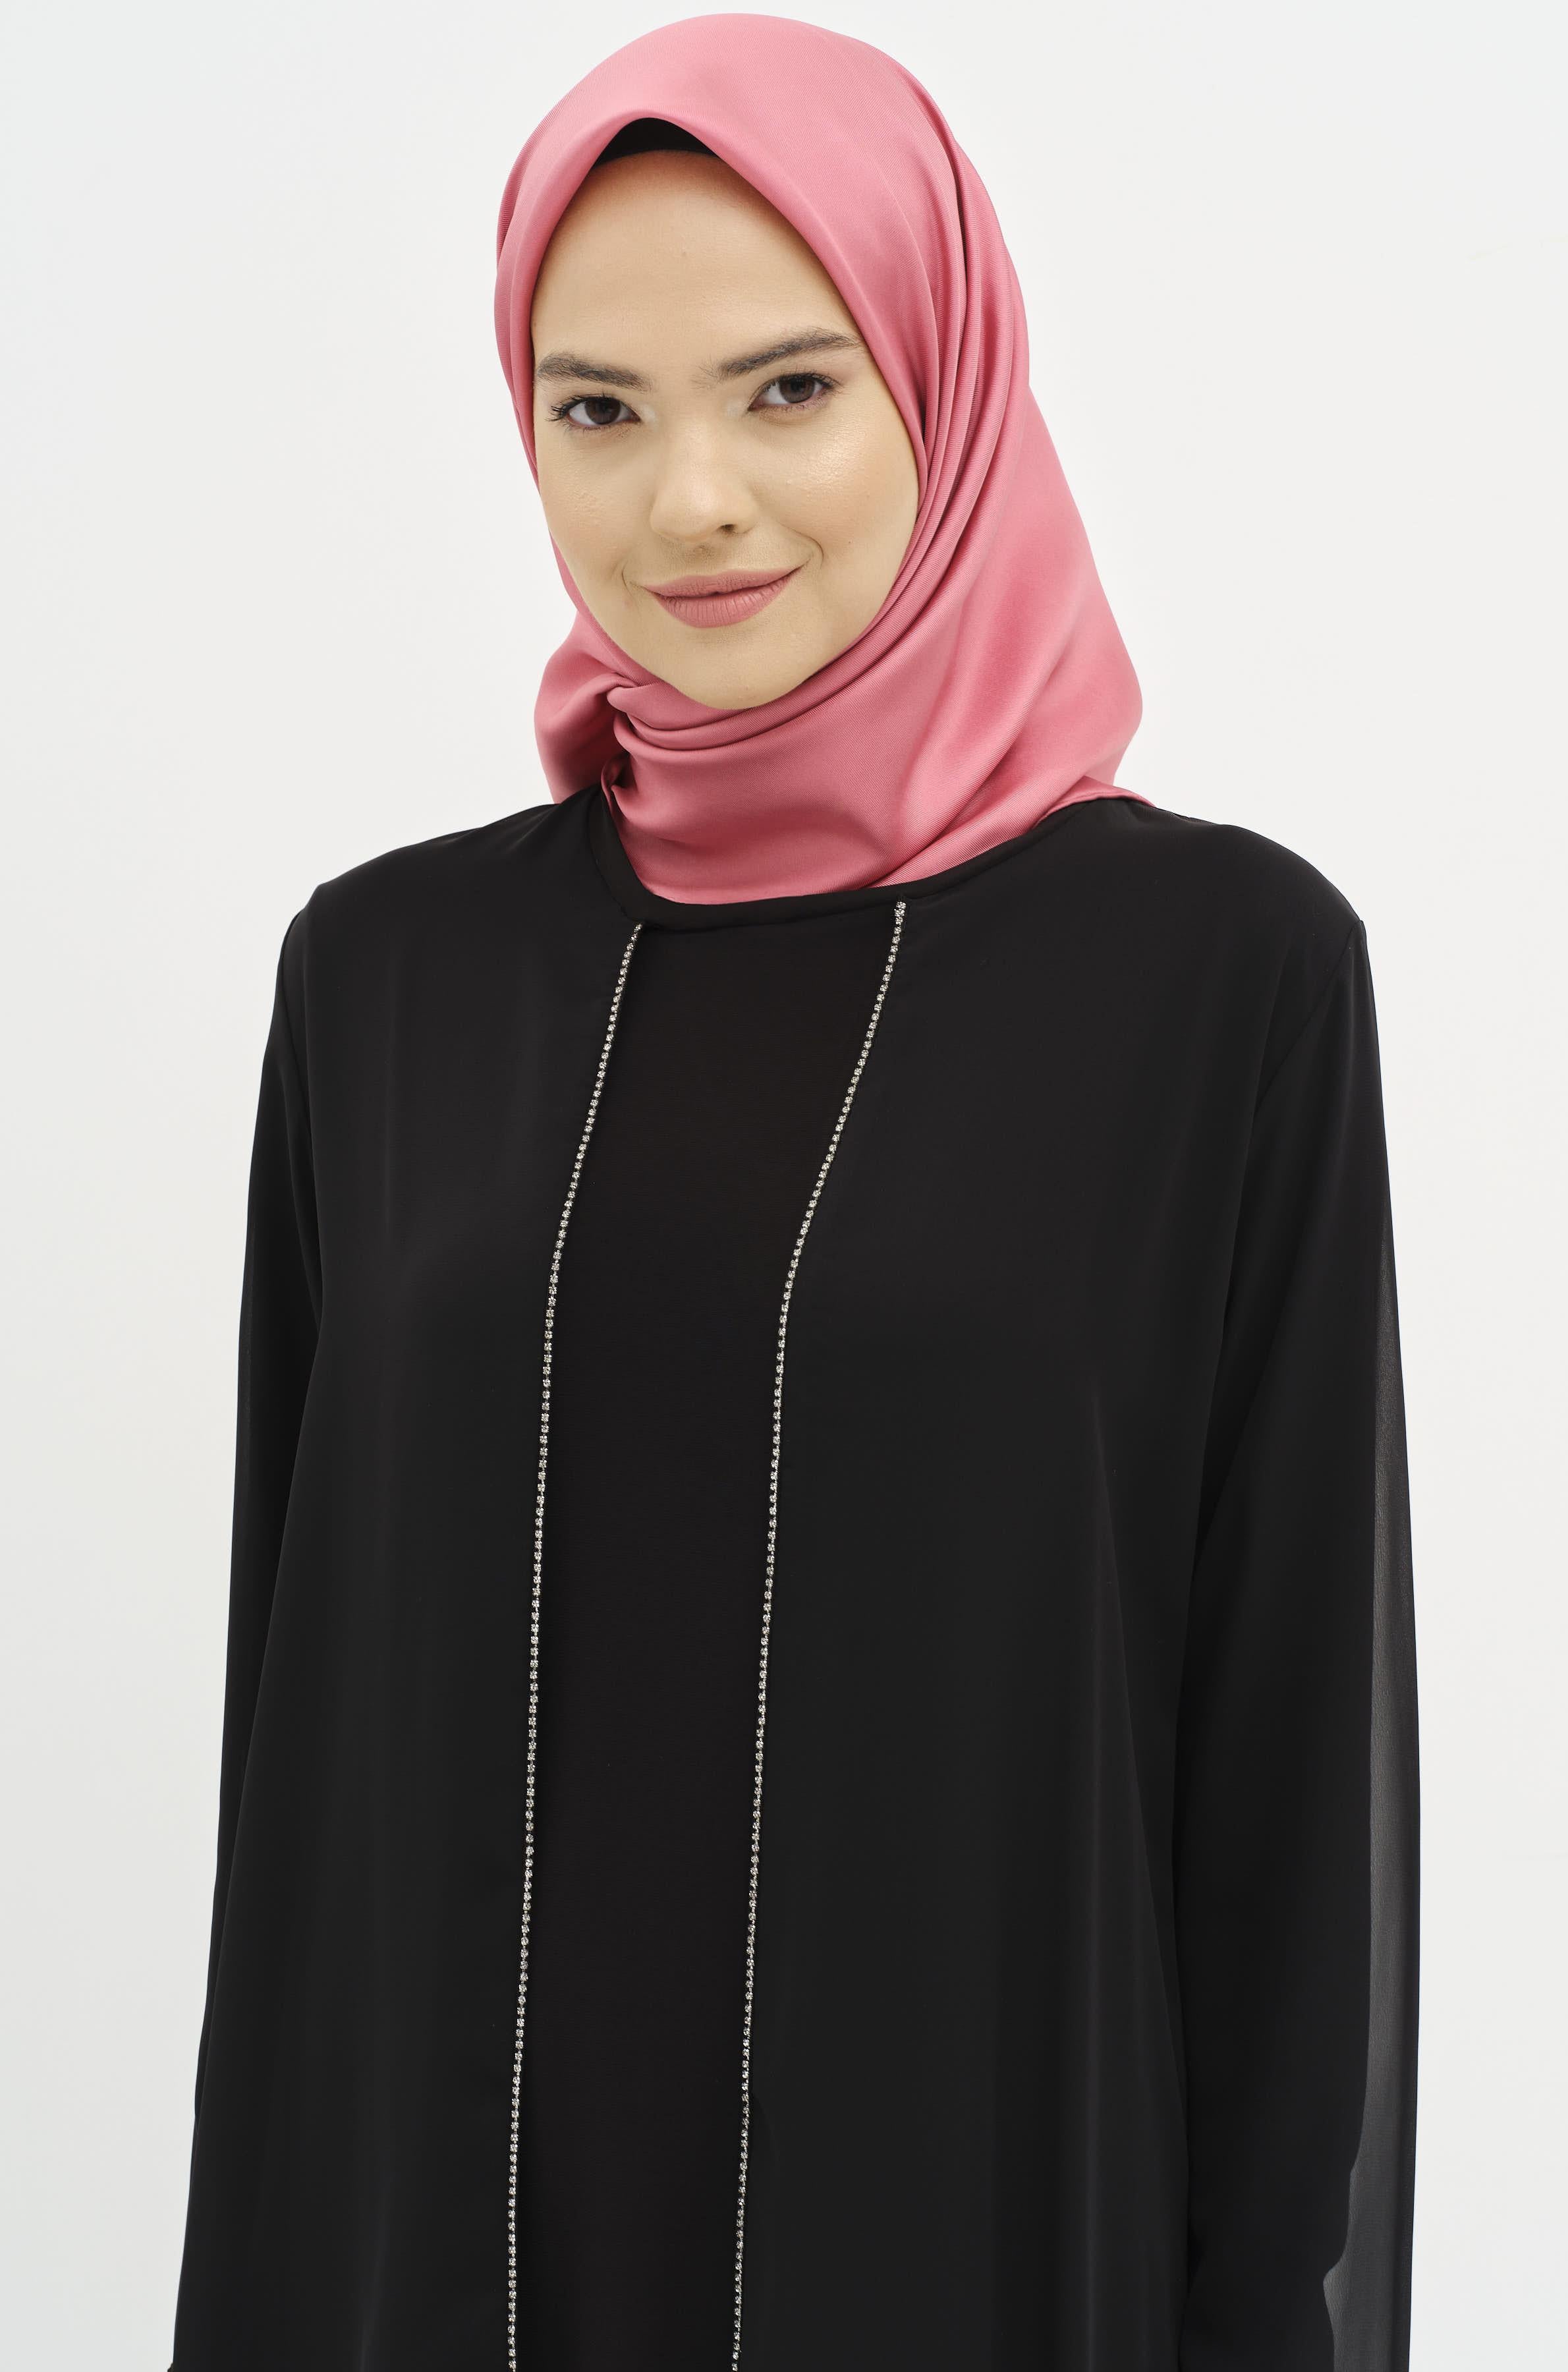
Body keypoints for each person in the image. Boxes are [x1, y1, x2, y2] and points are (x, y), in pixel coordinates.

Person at [167, 18, 1419, 2371]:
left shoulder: (1217, 980)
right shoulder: (387, 981)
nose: (692, 505)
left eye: (789, 389)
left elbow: (1279, 1825)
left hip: (968, 2269)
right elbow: (300, 1823)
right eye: (598, 410)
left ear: (944, 379)